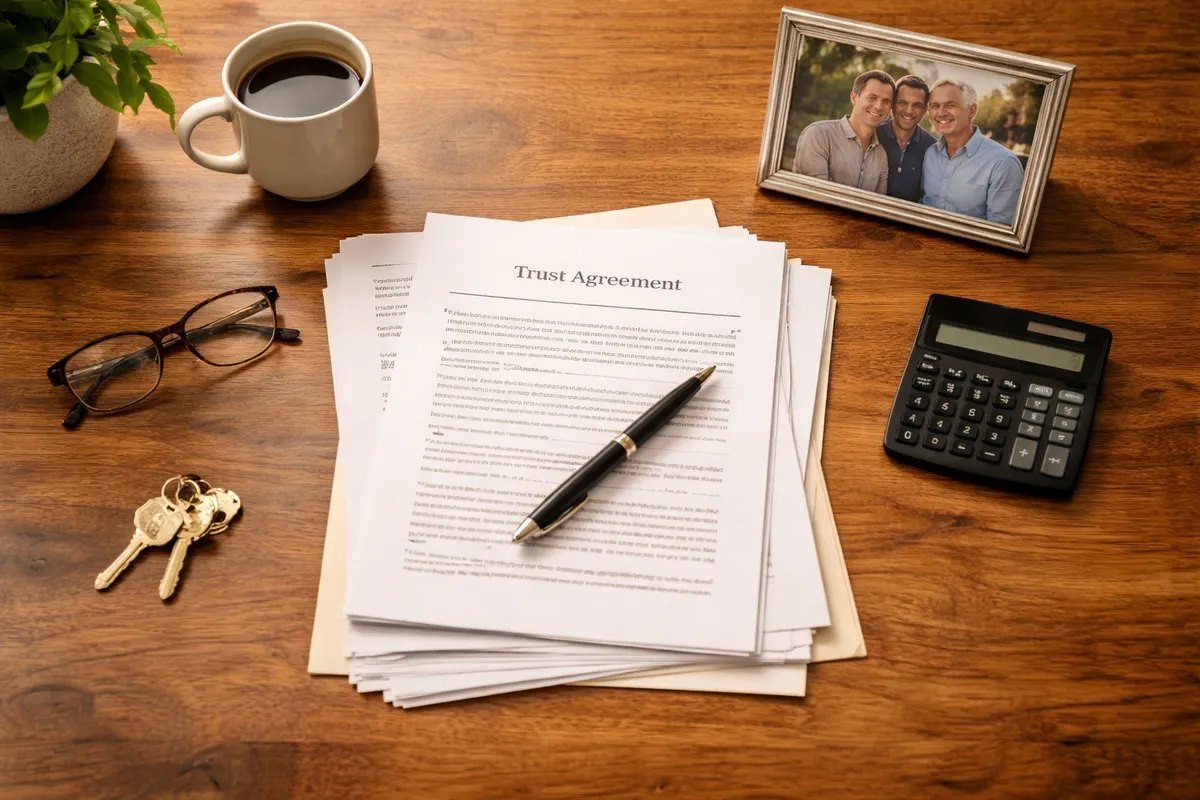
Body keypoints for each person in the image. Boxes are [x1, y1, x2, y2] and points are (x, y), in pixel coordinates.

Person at [921, 78, 1024, 225]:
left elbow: (1001, 231)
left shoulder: (1003, 163)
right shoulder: (930, 154)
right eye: (935, 106)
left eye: (950, 105)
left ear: (972, 110)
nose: (941, 113)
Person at [792, 70, 894, 194]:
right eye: (872, 97)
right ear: (854, 98)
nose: (878, 106)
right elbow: (813, 196)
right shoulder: (819, 135)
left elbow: (878, 206)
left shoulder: (881, 155)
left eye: (886, 101)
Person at [874, 75, 937, 202]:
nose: (909, 111)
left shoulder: (932, 148)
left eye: (917, 105)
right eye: (902, 103)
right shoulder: (873, 135)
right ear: (892, 104)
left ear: (925, 110)